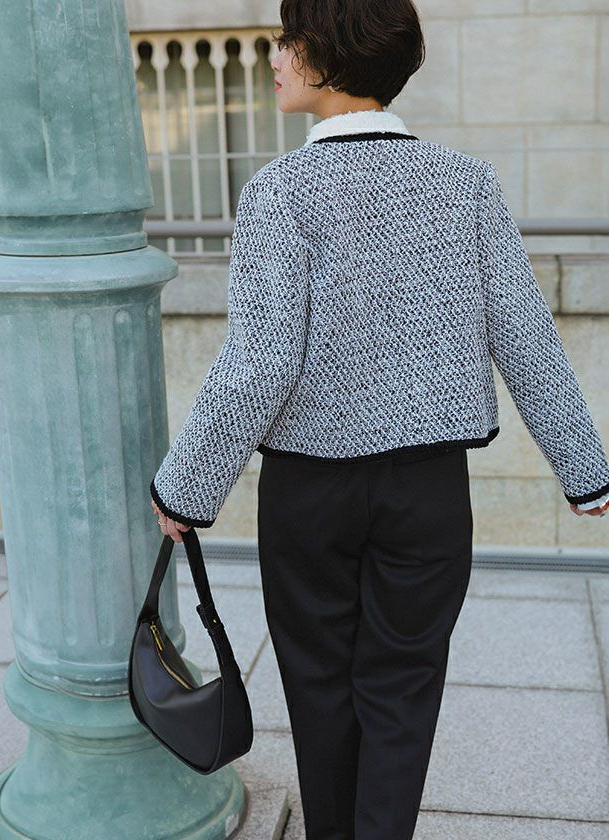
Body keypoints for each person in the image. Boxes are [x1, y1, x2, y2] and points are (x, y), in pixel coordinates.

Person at [150, 1, 609, 837]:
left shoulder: (278, 191)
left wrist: (186, 487)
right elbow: (524, 334)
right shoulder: (466, 183)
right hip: (428, 491)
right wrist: (585, 471)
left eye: (289, 41)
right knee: (403, 689)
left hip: (310, 495)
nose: (276, 56)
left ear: (330, 56)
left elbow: (260, 362)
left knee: (320, 687)